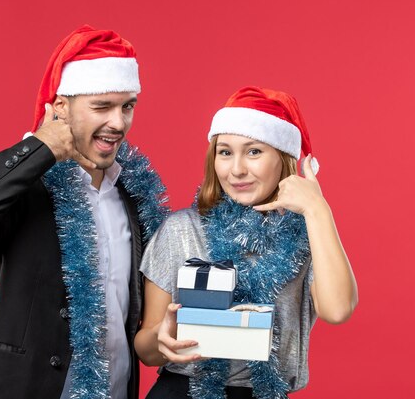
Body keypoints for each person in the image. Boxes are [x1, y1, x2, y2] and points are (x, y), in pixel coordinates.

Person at [0, 25, 168, 399]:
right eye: (102, 107)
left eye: (127, 106)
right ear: (61, 106)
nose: (119, 123)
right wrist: (38, 150)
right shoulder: (27, 187)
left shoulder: (132, 195)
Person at [134, 86, 358, 399]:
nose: (237, 169)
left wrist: (318, 209)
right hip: (184, 391)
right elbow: (146, 349)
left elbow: (337, 310)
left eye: (254, 151)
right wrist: (162, 339)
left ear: (282, 158)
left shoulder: (309, 232)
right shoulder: (181, 230)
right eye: (225, 152)